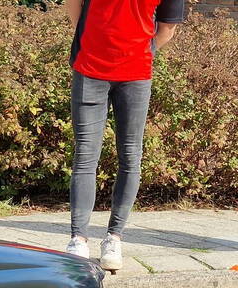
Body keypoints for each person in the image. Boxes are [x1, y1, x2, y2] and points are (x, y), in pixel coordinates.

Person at [64, 0, 184, 272]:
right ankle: (78, 239)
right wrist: (88, 39)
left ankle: (114, 238)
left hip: (136, 75)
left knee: (130, 156)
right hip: (89, 69)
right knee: (85, 155)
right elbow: (74, 4)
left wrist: (141, 52)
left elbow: (167, 27)